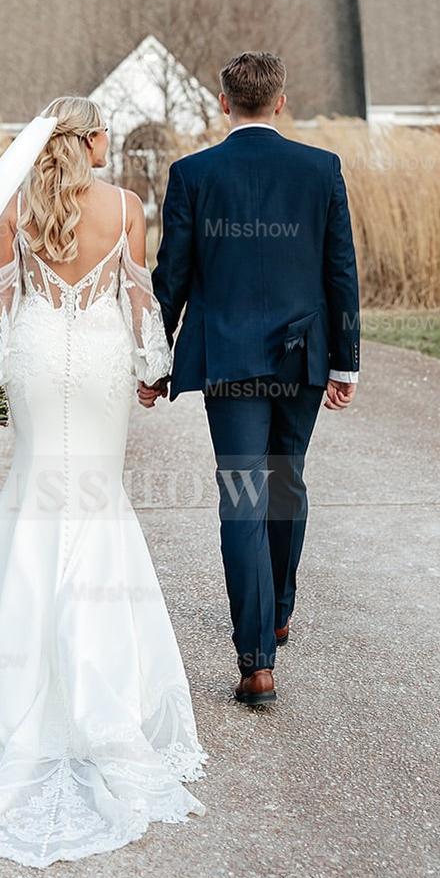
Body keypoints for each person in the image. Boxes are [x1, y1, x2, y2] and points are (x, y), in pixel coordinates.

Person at [0, 96, 206, 869]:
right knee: (97, 501)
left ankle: (15, 683)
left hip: (32, 361)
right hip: (97, 363)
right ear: (90, 140)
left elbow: (1, 297)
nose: (107, 141)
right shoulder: (126, 206)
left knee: (31, 498)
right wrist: (153, 369)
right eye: (104, 133)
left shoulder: (18, 209)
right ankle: (102, 684)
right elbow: (138, 297)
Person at [143, 51, 360, 706]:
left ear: (224, 102)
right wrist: (345, 361)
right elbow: (340, 271)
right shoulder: (321, 169)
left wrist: (154, 360)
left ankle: (256, 661)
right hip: (302, 355)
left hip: (229, 359)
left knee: (243, 495)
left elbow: (172, 278)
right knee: (285, 479)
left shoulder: (192, 174)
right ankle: (278, 611)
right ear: (281, 100)